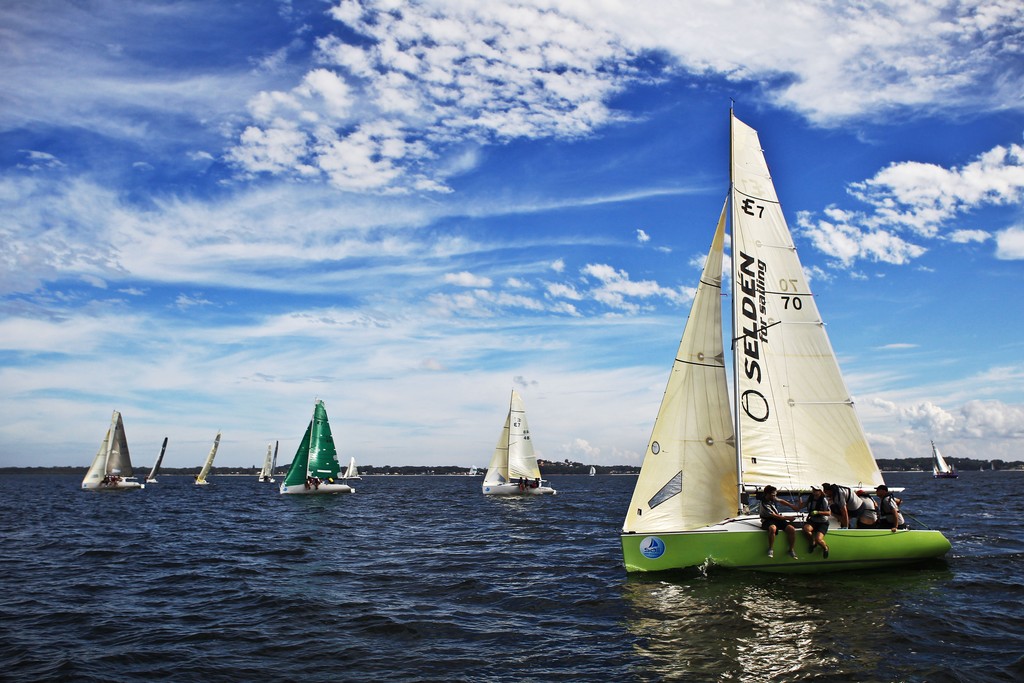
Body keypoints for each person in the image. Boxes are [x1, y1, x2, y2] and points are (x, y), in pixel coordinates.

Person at [759, 485, 800, 559]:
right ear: (767, 494)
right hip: (768, 520)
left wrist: (792, 506)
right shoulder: (764, 503)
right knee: (773, 528)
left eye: (775, 495)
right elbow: (774, 516)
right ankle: (770, 549)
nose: (774, 496)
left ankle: (791, 549)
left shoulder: (772, 498)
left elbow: (781, 501)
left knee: (791, 529)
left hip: (777, 519)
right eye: (772, 495)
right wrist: (788, 518)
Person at [802, 485, 831, 559]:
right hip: (813, 520)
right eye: (813, 490)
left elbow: (828, 513)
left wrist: (818, 512)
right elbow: (799, 506)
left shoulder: (823, 500)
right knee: (806, 529)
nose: (814, 491)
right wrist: (799, 497)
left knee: (819, 540)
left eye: (816, 490)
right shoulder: (811, 498)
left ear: (820, 491)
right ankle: (812, 543)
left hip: (822, 522)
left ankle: (825, 548)